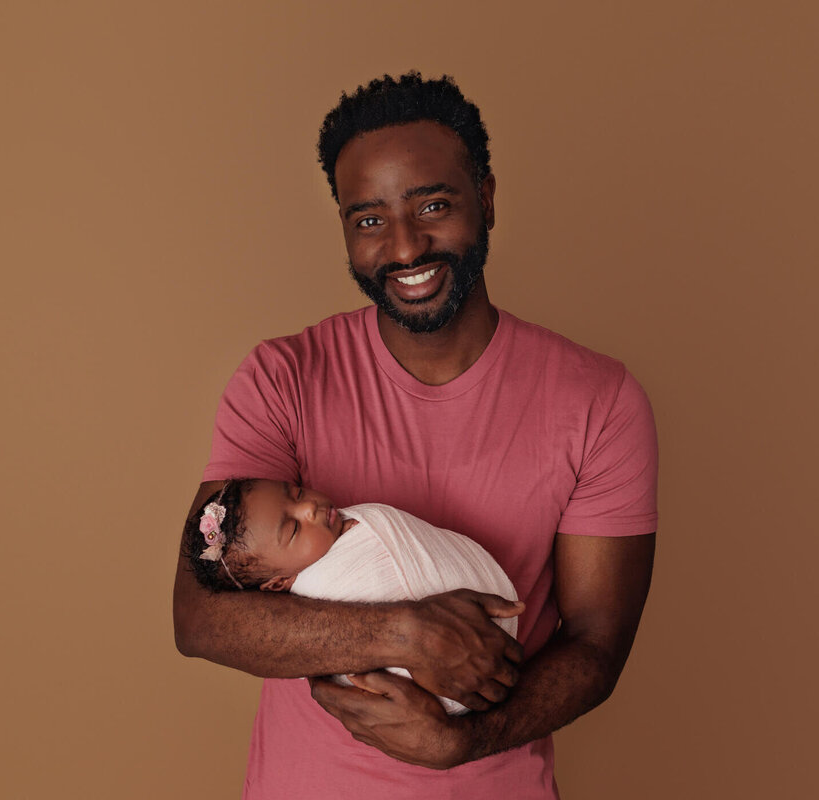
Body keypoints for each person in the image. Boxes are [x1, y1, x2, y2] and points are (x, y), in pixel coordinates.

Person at [173, 72, 658, 799]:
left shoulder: (601, 402)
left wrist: (462, 742)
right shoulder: (281, 377)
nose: (404, 247)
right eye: (368, 219)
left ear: (486, 199)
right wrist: (402, 634)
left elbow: (596, 646)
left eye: (433, 205)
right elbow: (201, 615)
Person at [181, 477, 520, 714]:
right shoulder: (315, 598)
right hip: (454, 688)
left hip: (487, 630)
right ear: (278, 583)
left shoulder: (339, 526)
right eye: (294, 529)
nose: (309, 509)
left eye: (296, 493)